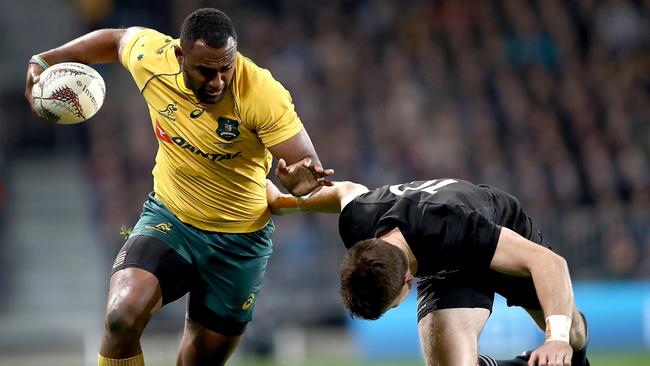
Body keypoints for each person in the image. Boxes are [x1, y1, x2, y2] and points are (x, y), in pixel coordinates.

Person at [25, 8, 334, 366]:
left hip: (239, 242)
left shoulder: (262, 93)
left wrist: (298, 181)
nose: (218, 81)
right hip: (171, 219)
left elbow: (303, 163)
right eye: (206, 70)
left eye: (225, 68)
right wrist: (43, 60)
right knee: (120, 317)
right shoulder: (152, 58)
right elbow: (115, 39)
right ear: (180, 55)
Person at [266, 178, 590, 366]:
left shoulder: (451, 226)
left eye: (394, 304)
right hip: (441, 258)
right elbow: (344, 190)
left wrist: (556, 338)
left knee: (572, 338)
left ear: (408, 280)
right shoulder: (358, 222)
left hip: (496, 229)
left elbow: (550, 263)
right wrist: (283, 201)